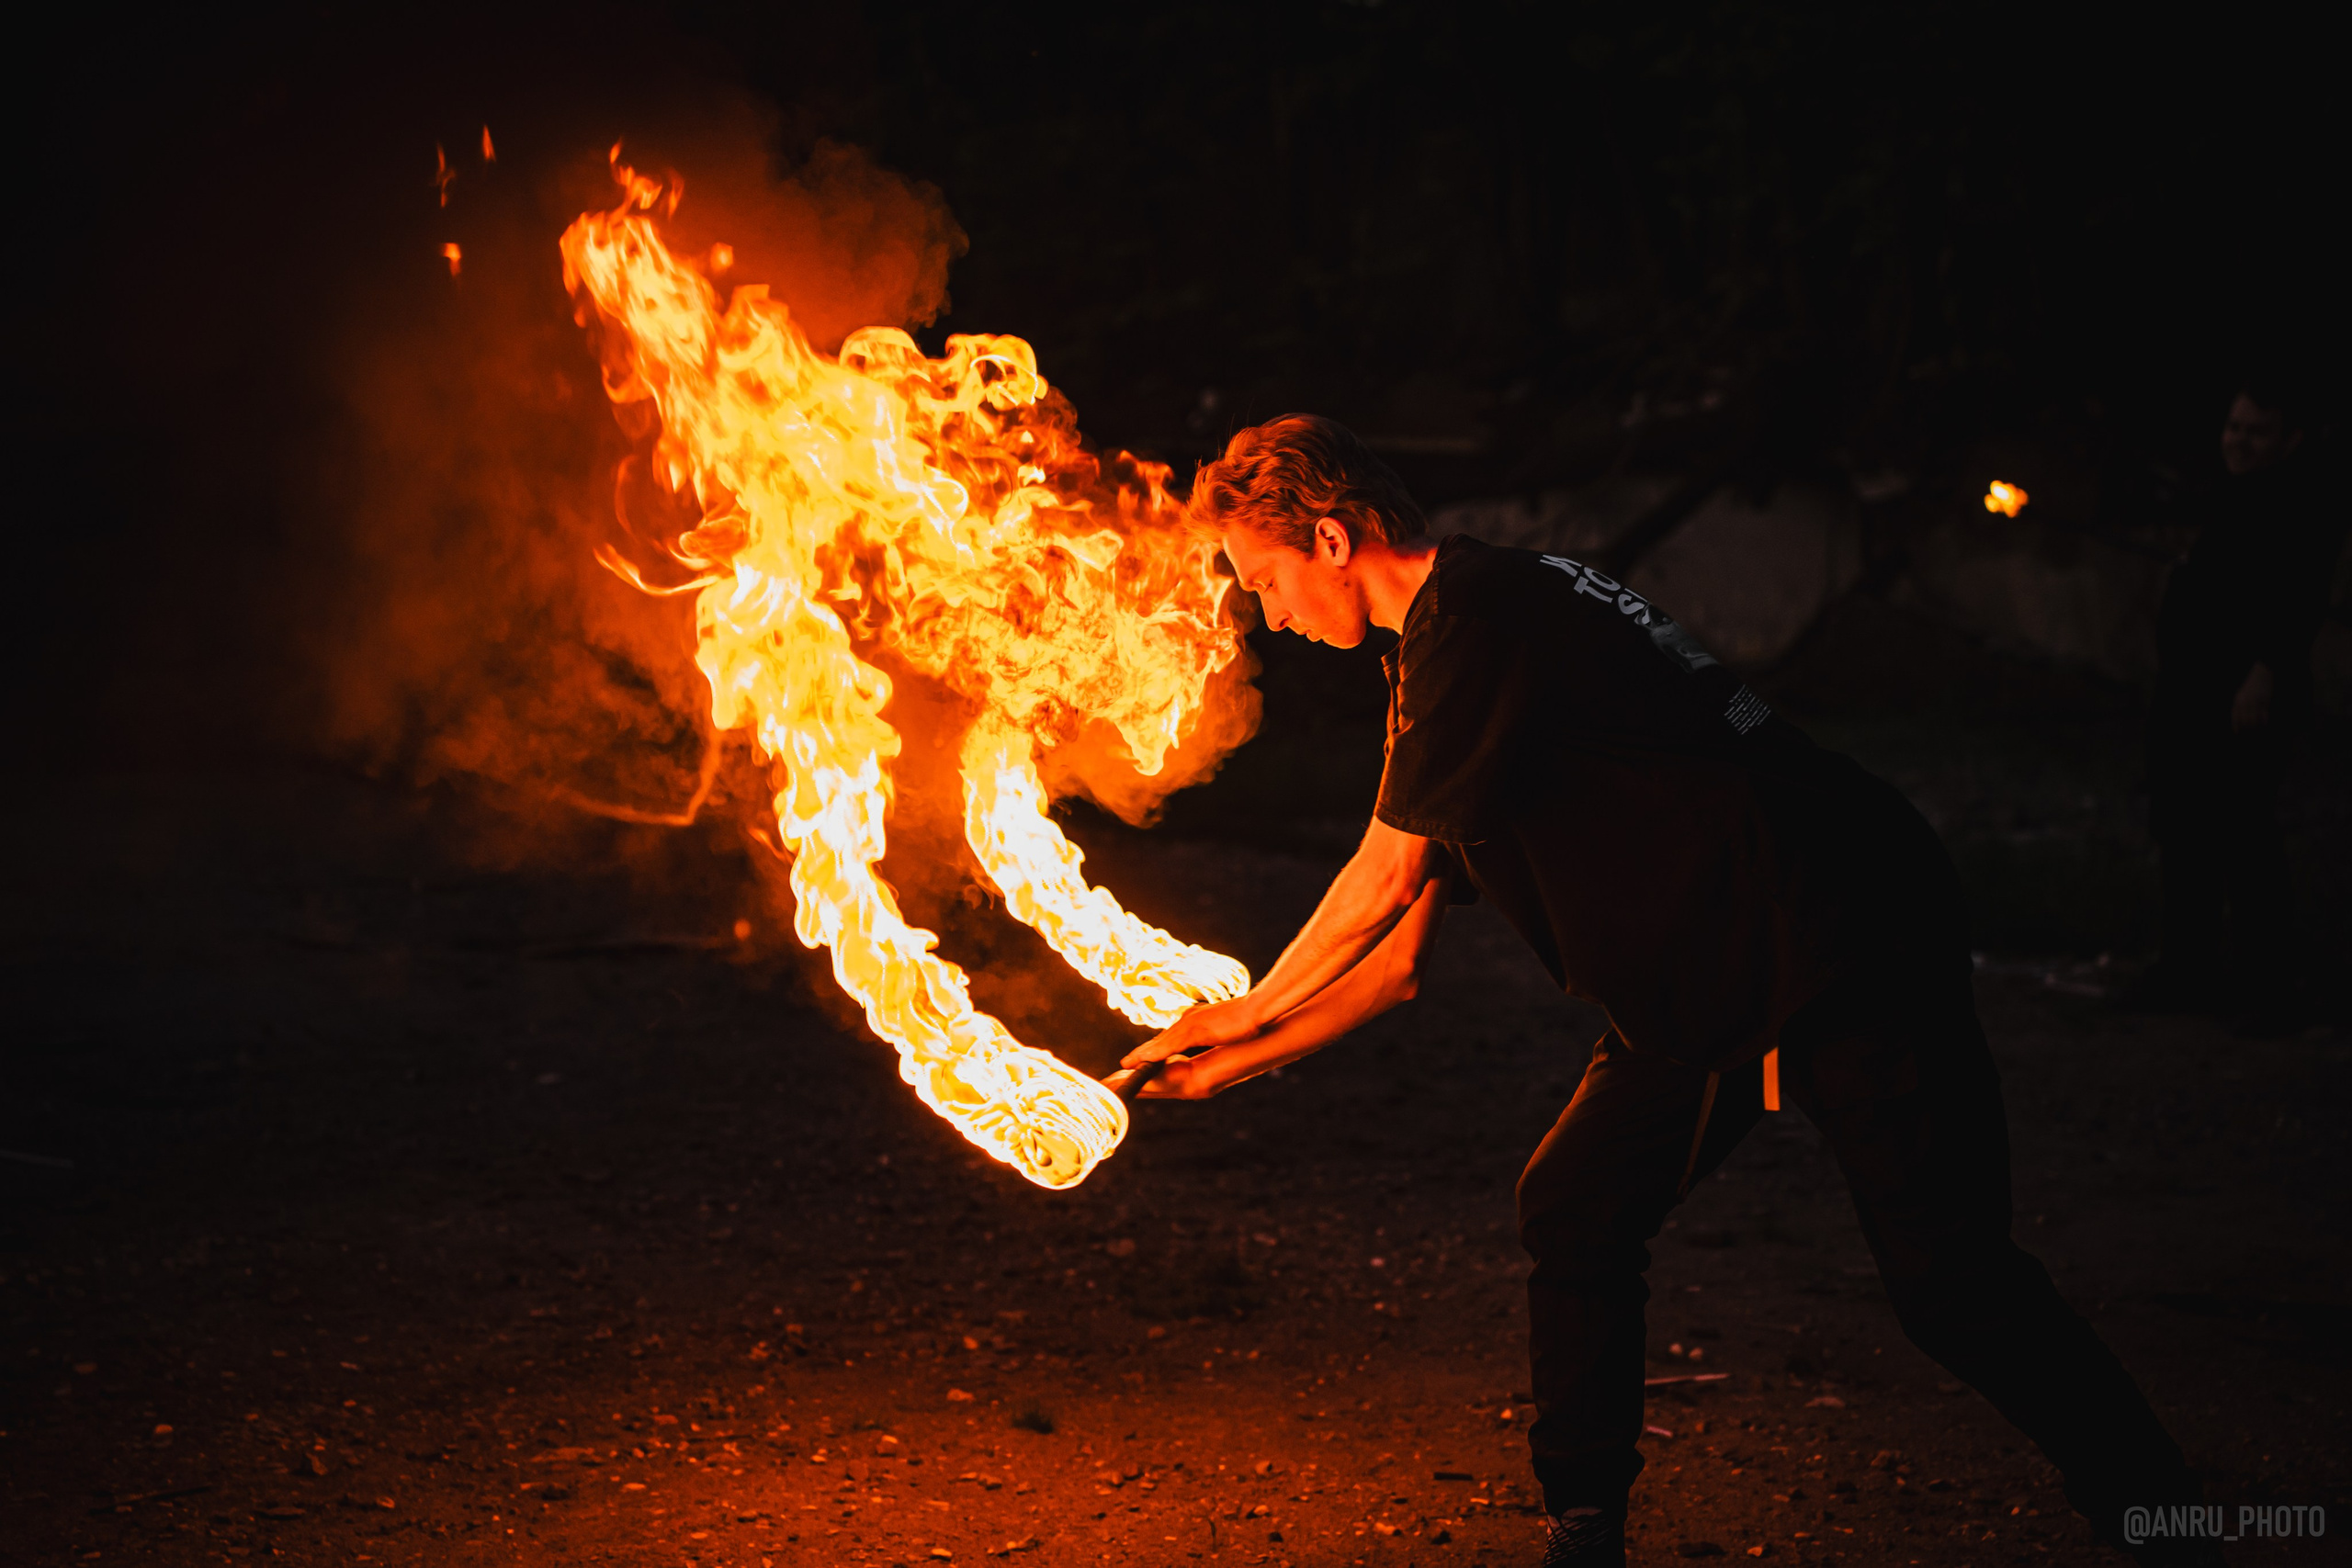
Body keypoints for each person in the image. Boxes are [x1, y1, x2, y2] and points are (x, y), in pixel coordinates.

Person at [1117, 414, 2217, 1567]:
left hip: (1836, 934)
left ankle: (2167, 1520)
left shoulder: (1478, 620)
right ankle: (1584, 1528)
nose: (1269, 614)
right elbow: (1395, 965)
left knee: (1951, 1284)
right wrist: (1230, 1065)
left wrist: (1234, 1009)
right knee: (1576, 1206)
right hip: (1703, 977)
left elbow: (1380, 879)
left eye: (1266, 580)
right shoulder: (1438, 648)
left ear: (1332, 539)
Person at [2139, 380, 2343, 1030]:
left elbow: (2297, 598)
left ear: (2290, 440)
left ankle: (2266, 981)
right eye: (2233, 427)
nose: (2238, 441)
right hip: (2195, 694)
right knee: (2186, 826)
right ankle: (2187, 971)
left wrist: (2264, 674)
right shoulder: (2233, 498)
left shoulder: (2301, 505)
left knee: (2242, 829)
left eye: (2255, 431)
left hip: (2244, 696)